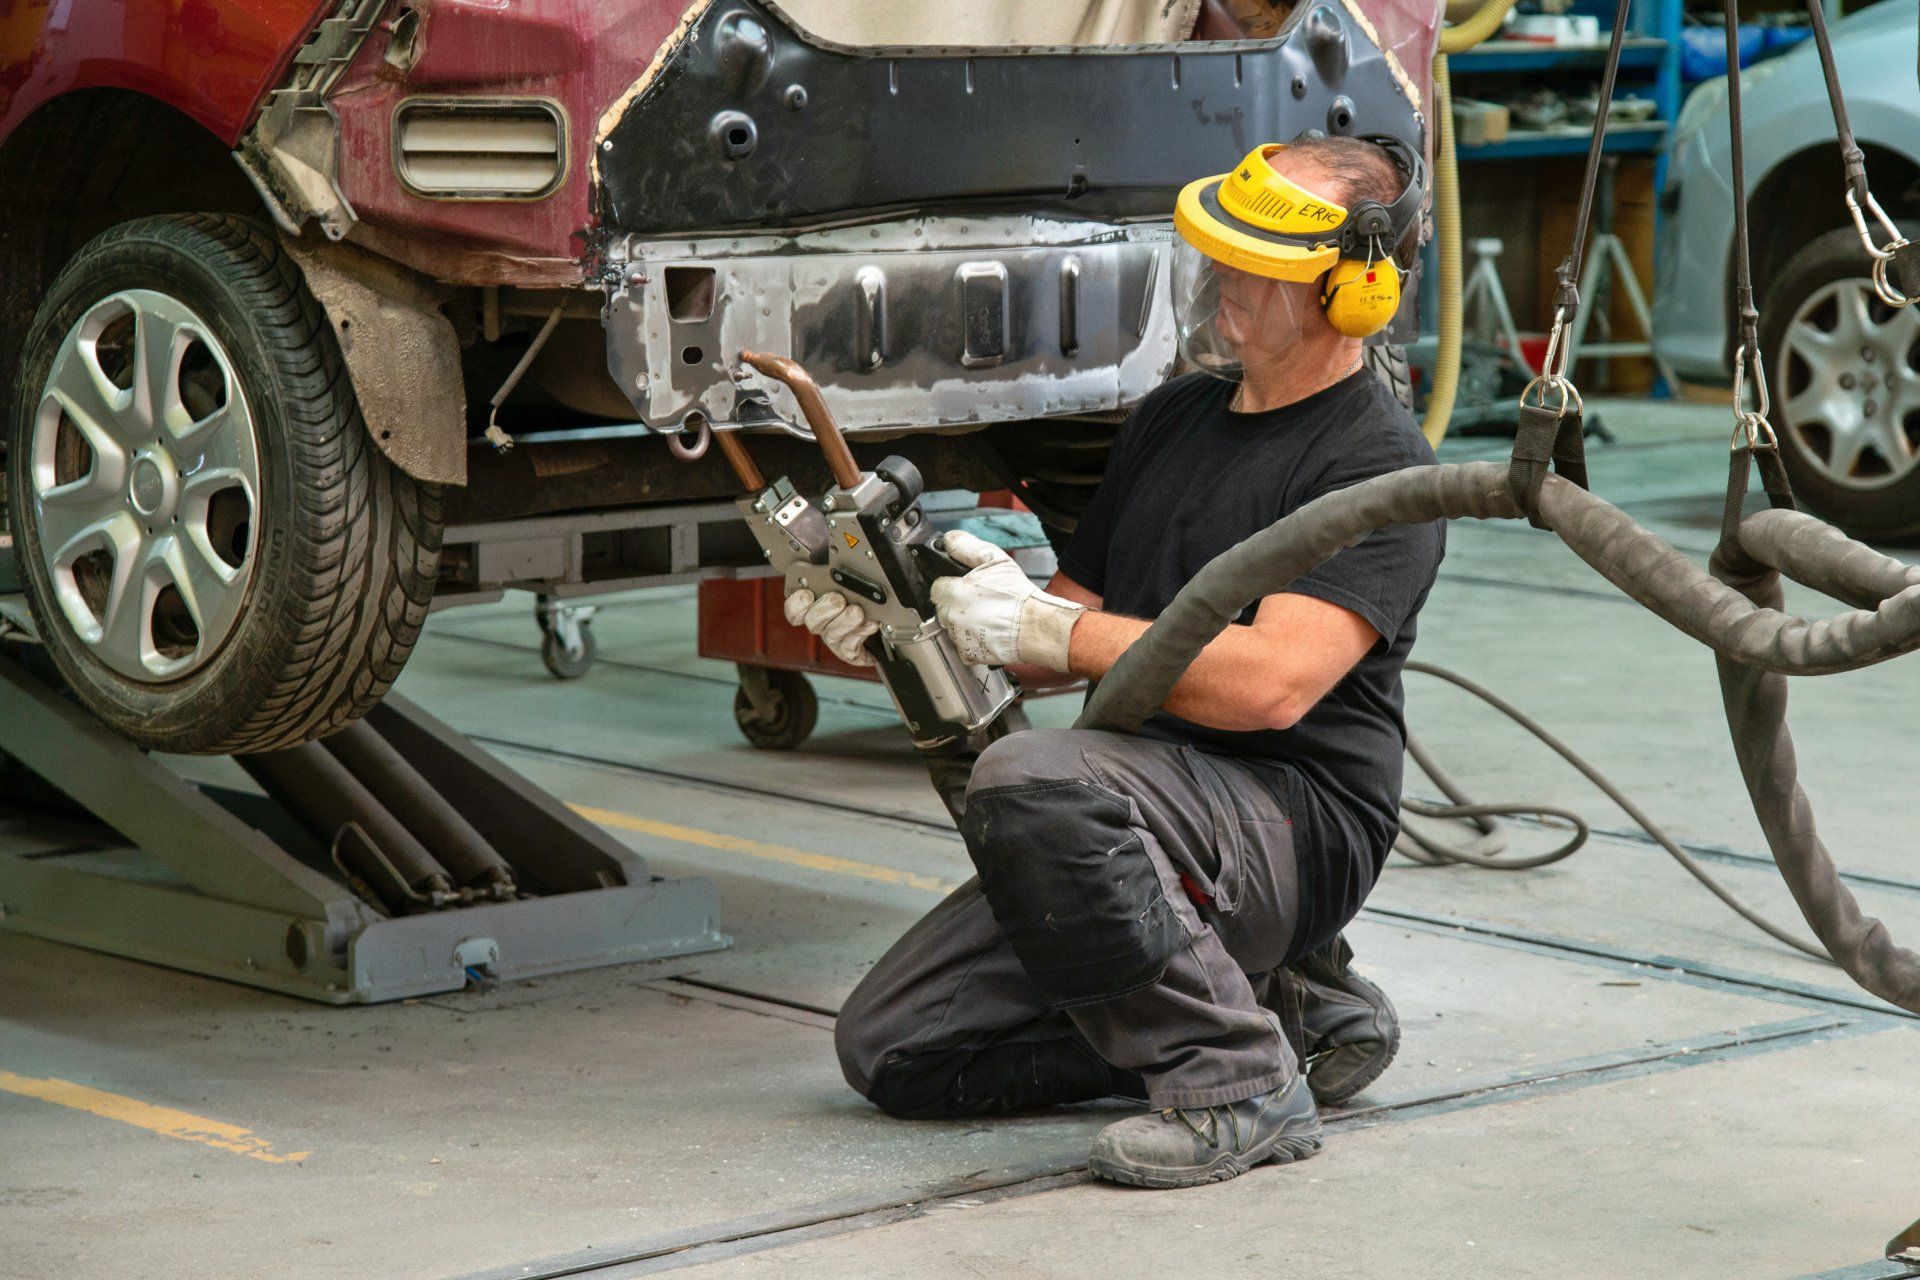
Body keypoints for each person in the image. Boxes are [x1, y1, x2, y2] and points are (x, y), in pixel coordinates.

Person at [785, 133, 1443, 1188]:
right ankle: (1268, 1004)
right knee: (897, 1048)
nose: (1225, 282)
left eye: (1257, 269)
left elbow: (1272, 685)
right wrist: (922, 618)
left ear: (1356, 290)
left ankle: (1237, 1079)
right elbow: (1070, 626)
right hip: (1142, 800)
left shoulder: (1378, 466)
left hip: (1291, 817)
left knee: (1032, 781)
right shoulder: (1176, 417)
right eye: (1218, 256)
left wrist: (1050, 632)